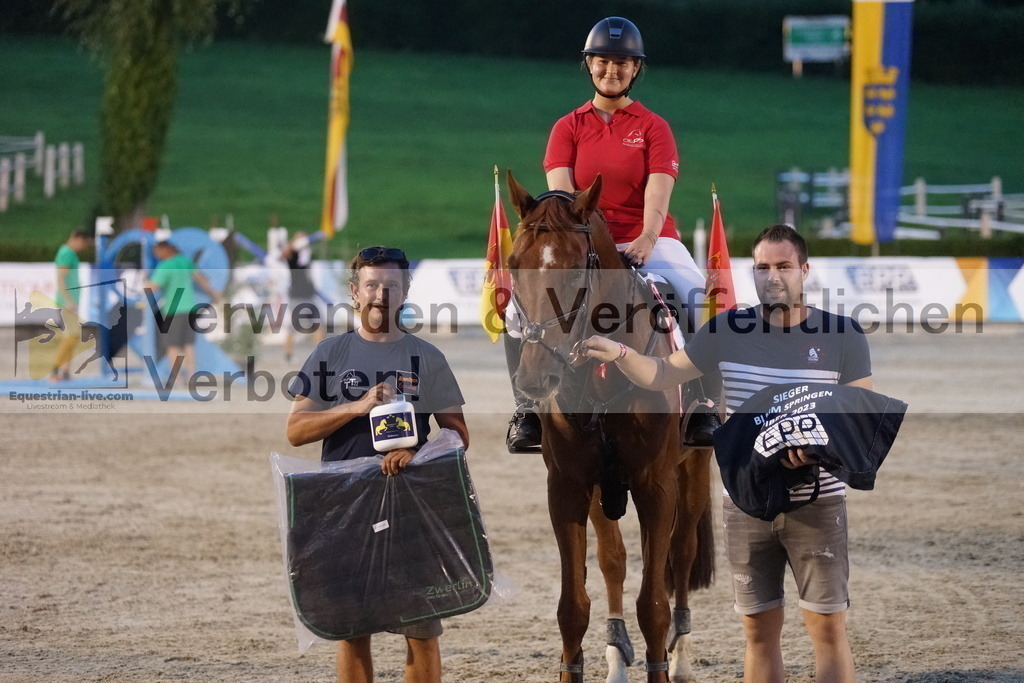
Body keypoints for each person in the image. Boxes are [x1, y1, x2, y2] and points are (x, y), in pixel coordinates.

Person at [580, 224, 871, 682]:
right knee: (757, 634)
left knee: (827, 630)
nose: (773, 276)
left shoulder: (843, 334)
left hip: (817, 502)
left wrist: (817, 449)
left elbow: (860, 416)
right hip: (746, 504)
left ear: (805, 270)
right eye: (762, 267)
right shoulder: (726, 330)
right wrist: (619, 352)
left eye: (784, 266)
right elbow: (661, 374)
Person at [506, 16, 716, 452]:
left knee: (700, 298)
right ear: (589, 64)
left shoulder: (654, 127)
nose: (611, 70)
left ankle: (703, 404)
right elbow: (563, 200)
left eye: (622, 63)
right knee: (512, 312)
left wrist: (647, 238)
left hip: (649, 240)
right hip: (582, 241)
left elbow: (658, 192)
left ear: (636, 68)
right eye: (602, 61)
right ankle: (526, 409)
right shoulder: (568, 127)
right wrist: (576, 245)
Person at [285, 246, 470, 683]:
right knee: (352, 629)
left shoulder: (428, 357)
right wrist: (357, 406)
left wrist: (419, 454)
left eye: (391, 285)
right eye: (371, 285)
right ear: (354, 292)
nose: (381, 294)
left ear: (405, 291)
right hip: (343, 505)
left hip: (411, 503)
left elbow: (458, 435)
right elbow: (295, 430)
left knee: (421, 629)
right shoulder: (330, 354)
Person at [144, 241, 219, 384]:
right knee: (188, 344)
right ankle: (191, 375)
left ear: (164, 250)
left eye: (157, 252)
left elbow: (152, 287)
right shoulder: (185, 261)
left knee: (172, 345)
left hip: (173, 310)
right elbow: (201, 280)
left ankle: (176, 377)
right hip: (190, 308)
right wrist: (213, 293)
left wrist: (144, 282)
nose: (156, 255)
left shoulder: (165, 266)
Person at [49, 229, 90, 381]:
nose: (83, 247)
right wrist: (68, 300)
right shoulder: (66, 253)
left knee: (71, 337)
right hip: (67, 302)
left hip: (71, 301)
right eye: (83, 243)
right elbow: (60, 278)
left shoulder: (69, 253)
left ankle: (65, 371)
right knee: (71, 336)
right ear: (78, 239)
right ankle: (55, 369)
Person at [282, 231, 327, 362]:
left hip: (309, 296)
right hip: (297, 296)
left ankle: (320, 355)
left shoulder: (305, 256)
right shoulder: (293, 256)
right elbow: (285, 253)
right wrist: (295, 243)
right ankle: (288, 355)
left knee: (320, 324)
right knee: (294, 327)